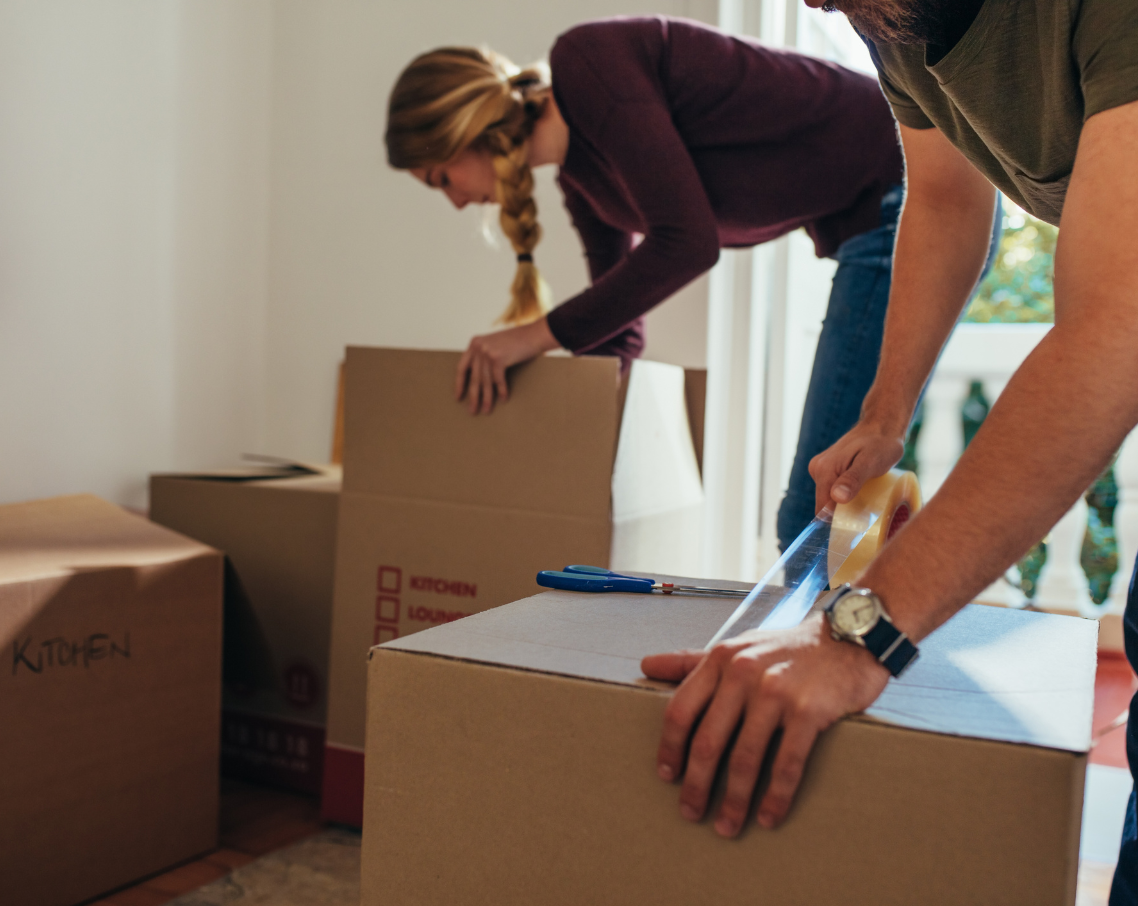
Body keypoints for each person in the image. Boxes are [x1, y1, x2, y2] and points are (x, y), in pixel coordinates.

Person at [640, 1, 1138, 899]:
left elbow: (1113, 326)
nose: (818, 4)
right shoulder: (896, 14)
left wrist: (859, 636)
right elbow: (947, 199)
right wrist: (884, 410)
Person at [385, 15, 998, 552]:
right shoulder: (584, 183)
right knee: (822, 520)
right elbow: (618, 338)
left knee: (813, 522)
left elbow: (687, 242)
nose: (457, 201)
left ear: (465, 130)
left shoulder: (589, 65)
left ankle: (849, 669)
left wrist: (532, 337)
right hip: (877, 219)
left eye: (441, 178)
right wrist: (563, 462)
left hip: (919, 202)